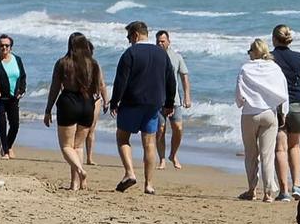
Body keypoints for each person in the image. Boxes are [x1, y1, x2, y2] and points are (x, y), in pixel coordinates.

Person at [108, 20, 174, 194]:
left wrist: (114, 102)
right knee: (149, 143)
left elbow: (121, 81)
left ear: (136, 35)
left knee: (122, 138)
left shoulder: (130, 53)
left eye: (129, 37)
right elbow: (171, 80)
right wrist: (169, 103)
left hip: (132, 101)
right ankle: (149, 184)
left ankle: (129, 173)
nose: (129, 40)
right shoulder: (162, 54)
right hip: (154, 104)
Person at [43, 32, 102, 191]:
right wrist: (103, 103)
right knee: (78, 147)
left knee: (66, 146)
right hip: (87, 104)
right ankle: (76, 184)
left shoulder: (63, 63)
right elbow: (99, 86)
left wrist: (48, 109)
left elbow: (55, 87)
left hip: (69, 103)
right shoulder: (93, 64)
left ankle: (81, 171)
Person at [235, 38, 290, 201]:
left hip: (250, 113)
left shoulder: (246, 68)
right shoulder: (275, 68)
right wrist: (284, 113)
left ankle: (252, 190)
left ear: (253, 52)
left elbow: (239, 92)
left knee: (251, 154)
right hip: (269, 113)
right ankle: (268, 193)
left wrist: (240, 102)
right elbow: (283, 91)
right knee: (267, 154)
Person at [270, 25, 300, 198]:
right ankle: (297, 186)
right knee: (295, 146)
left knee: (280, 149)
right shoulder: (299, 57)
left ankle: (284, 191)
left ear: (274, 39)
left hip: (279, 106)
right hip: (299, 105)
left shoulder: (270, 57)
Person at [153, 29, 192, 169]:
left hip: (174, 100)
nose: (160, 43)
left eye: (162, 41)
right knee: (160, 130)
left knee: (178, 128)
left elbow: (184, 76)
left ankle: (173, 154)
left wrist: (187, 96)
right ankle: (162, 159)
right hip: (157, 101)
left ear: (169, 41)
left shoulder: (177, 57)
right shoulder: (153, 56)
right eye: (158, 41)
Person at [0, 34, 27, 158]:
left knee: (15, 125)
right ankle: (5, 151)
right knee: (2, 125)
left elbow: (23, 76)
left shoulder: (17, 59)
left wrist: (22, 90)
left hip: (14, 98)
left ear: (11, 47)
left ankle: (8, 145)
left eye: (7, 45)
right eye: (1, 45)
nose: (4, 48)